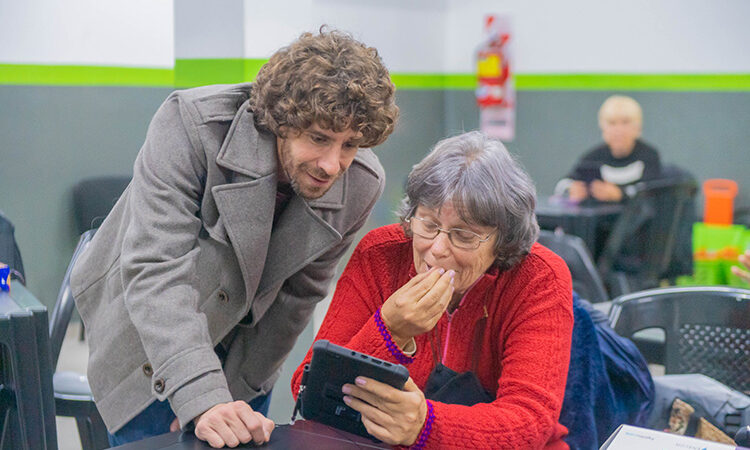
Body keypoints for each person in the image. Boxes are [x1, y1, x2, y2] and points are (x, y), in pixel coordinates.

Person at [70, 29, 398, 448]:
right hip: (150, 339)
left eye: (350, 144)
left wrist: (231, 397)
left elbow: (298, 299)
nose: (332, 164)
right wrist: (200, 396)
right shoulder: (190, 125)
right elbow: (156, 271)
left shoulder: (361, 182)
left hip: (246, 359)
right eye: (318, 138)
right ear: (282, 118)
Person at [292, 131, 574, 449]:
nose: (437, 249)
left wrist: (425, 427)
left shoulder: (538, 277)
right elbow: (306, 388)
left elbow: (529, 423)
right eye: (427, 224)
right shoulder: (380, 254)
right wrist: (389, 331)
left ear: (503, 242)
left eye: (464, 236)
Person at [555, 95, 662, 203]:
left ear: (638, 127)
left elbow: (651, 192)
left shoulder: (649, 155)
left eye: (625, 122)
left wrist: (620, 194)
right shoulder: (593, 157)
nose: (618, 130)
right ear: (603, 127)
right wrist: (571, 189)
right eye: (612, 123)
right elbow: (562, 184)